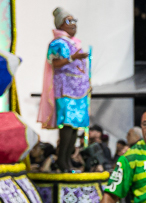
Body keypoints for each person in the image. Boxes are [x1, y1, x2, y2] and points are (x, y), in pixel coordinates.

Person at [38, 7, 91, 173]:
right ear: (60, 24)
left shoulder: (75, 42)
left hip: (79, 90)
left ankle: (68, 162)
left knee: (76, 127)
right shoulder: (58, 43)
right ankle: (62, 161)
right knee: (67, 125)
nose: (73, 25)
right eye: (69, 21)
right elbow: (55, 63)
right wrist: (73, 58)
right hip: (66, 90)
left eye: (74, 21)